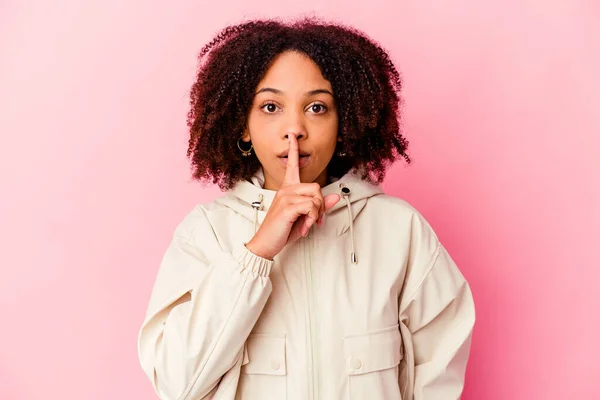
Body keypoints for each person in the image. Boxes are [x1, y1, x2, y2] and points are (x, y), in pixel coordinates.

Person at [137, 17, 475, 400]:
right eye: (270, 106)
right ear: (243, 125)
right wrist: (257, 252)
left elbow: (439, 371)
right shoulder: (207, 233)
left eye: (316, 107)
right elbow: (176, 384)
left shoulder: (401, 230)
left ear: (342, 121)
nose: (294, 127)